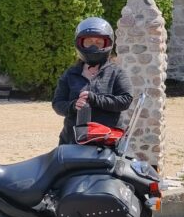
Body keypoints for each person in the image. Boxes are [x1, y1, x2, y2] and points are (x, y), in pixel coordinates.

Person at [52, 17, 133, 145]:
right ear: (80, 43)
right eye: (89, 42)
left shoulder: (116, 72)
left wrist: (95, 99)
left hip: (107, 141)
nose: (93, 46)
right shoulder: (71, 74)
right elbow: (57, 104)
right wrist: (73, 105)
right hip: (72, 140)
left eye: (98, 42)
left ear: (107, 44)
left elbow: (125, 100)